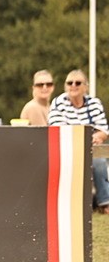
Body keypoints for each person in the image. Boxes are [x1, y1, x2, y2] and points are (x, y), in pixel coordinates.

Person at [48, 70, 109, 212]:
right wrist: (85, 137)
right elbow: (58, 128)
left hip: (90, 147)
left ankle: (104, 202)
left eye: (77, 83)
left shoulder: (95, 104)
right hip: (66, 147)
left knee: (98, 161)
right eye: (69, 83)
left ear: (85, 87)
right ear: (65, 86)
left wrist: (98, 136)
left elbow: (103, 130)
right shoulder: (58, 102)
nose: (73, 86)